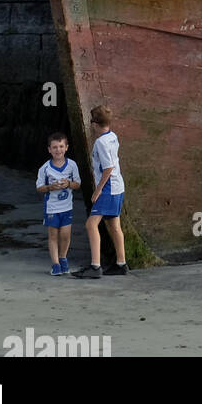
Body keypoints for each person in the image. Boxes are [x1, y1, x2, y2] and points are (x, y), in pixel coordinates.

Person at [70, 105, 128, 279]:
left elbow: (108, 168)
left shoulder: (101, 142)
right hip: (118, 186)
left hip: (108, 188)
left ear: (94, 124)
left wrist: (98, 190)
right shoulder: (112, 136)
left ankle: (95, 266)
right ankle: (121, 263)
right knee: (114, 225)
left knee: (91, 224)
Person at [35, 132, 80, 276]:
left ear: (66, 147)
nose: (58, 150)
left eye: (61, 146)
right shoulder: (45, 168)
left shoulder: (72, 165)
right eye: (54, 147)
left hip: (67, 207)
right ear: (49, 149)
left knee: (66, 235)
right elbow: (39, 187)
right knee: (53, 236)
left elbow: (77, 184)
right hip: (52, 208)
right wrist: (50, 187)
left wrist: (68, 183)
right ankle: (55, 264)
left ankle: (63, 258)